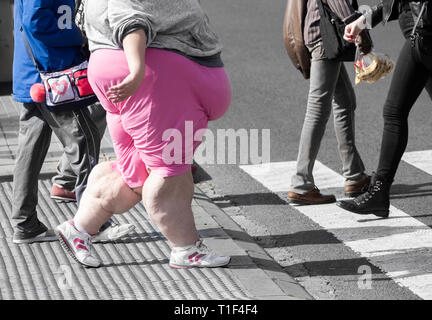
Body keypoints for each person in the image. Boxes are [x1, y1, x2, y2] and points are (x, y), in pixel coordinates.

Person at [55, 0, 232, 268]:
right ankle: (185, 249)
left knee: (135, 174)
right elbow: (130, 19)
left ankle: (78, 228)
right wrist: (137, 69)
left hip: (124, 73)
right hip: (145, 76)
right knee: (168, 169)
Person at [338, 0, 432, 218]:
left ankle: (379, 193)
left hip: (424, 36)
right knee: (394, 112)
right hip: (421, 36)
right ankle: (379, 194)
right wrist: (364, 20)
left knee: (394, 112)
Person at [288, 0, 371, 205]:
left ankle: (354, 175)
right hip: (324, 35)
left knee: (345, 100)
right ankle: (301, 181)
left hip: (322, 32)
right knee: (318, 109)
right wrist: (358, 27)